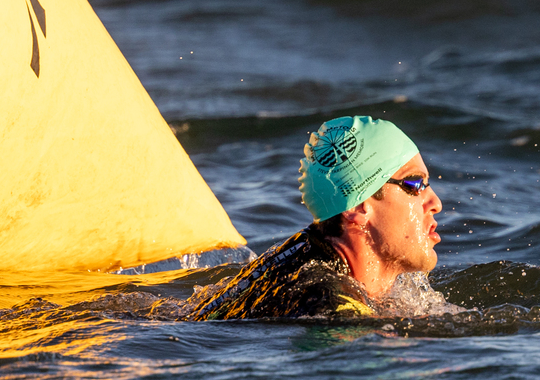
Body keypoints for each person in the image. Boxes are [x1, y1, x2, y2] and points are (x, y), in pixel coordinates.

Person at [185, 116, 442, 320]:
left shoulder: (306, 261)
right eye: (415, 184)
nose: (436, 203)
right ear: (359, 207)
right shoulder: (326, 305)